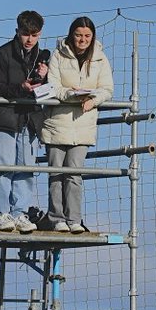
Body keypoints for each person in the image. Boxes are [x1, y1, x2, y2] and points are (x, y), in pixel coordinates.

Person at [40, 17, 114, 233]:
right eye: (79, 35)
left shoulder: (101, 59)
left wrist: (94, 100)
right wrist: (71, 95)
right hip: (57, 123)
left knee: (74, 174)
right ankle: (56, 218)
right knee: (56, 174)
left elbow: (107, 89)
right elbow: (53, 86)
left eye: (87, 36)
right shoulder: (58, 55)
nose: (82, 40)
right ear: (72, 35)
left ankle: (74, 220)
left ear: (93, 37)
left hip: (83, 125)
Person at [0, 10, 49, 233]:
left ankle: (19, 212)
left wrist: (44, 77)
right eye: (25, 34)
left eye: (35, 35)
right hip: (3, 118)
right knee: (4, 167)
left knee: (26, 169)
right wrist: (20, 88)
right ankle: (0, 213)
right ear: (17, 31)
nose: (30, 39)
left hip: (29, 119)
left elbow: (47, 90)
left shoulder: (43, 58)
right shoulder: (0, 55)